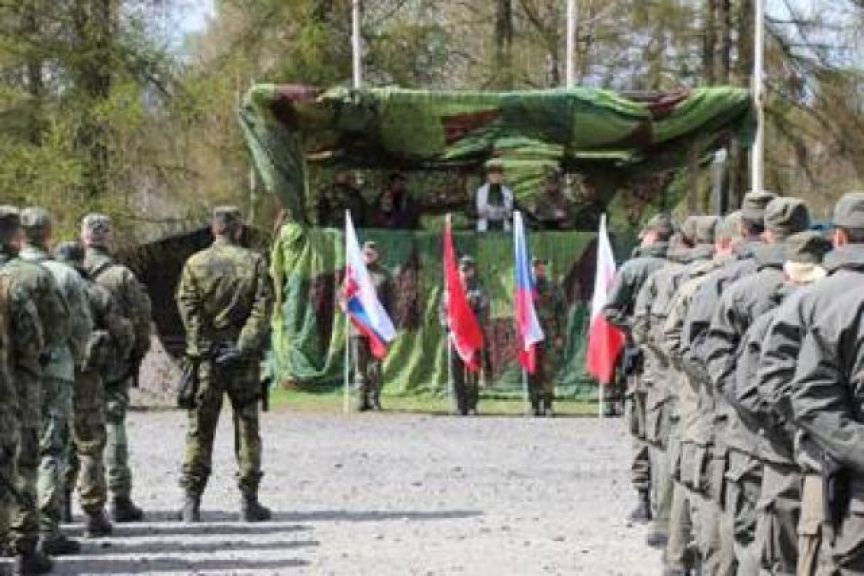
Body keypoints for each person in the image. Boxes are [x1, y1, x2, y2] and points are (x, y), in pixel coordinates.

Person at [703, 197, 811, 575]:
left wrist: (748, 405)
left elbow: (707, 352)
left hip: (749, 429)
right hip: (817, 434)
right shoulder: (834, 285)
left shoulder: (733, 284)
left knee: (754, 530)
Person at [681, 190, 776, 575]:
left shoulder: (723, 282)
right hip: (796, 428)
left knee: (737, 518)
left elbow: (693, 349)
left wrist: (736, 393)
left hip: (734, 422)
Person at [730, 231, 831, 576]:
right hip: (828, 455)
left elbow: (748, 391)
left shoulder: (770, 320)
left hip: (782, 455)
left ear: (788, 270)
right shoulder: (840, 310)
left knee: (778, 556)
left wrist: (789, 431)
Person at [781, 192, 864, 574]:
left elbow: (798, 393)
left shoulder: (818, 302)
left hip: (838, 466)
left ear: (839, 238)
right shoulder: (833, 301)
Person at [176, 206, 273, 523]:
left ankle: (191, 503)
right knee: (247, 426)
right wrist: (242, 346)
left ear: (213, 229)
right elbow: (262, 308)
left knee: (200, 429)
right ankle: (249, 502)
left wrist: (205, 346)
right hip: (242, 360)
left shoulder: (195, 263)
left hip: (207, 360)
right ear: (239, 229)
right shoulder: (254, 262)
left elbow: (188, 307)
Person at [19, 209, 92, 556]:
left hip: (12, 373)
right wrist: (73, 359)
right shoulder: (64, 274)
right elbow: (80, 326)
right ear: (49, 235)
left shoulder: (6, 271)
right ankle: (47, 528)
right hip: (55, 372)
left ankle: (14, 526)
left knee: (12, 449)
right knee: (51, 448)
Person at [56, 241, 132, 538]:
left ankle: (59, 505)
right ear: (82, 262)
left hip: (50, 376)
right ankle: (93, 515)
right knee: (89, 445)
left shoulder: (47, 287)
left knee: (55, 441)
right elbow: (122, 332)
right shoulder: (95, 292)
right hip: (87, 377)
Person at [602, 212, 674, 525]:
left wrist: (637, 329)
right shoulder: (681, 267)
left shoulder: (633, 268)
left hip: (643, 361)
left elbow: (610, 310)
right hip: (673, 363)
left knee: (641, 428)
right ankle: (667, 501)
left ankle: (644, 499)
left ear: (651, 235)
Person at [81, 214, 151, 523]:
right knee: (113, 424)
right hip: (113, 363)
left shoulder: (67, 270)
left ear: (84, 238)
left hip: (76, 364)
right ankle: (119, 497)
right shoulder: (122, 276)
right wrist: (135, 355)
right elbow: (141, 321)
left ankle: (62, 502)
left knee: (73, 426)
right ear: (109, 239)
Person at [0, 206, 52, 574]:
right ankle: (23, 548)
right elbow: (33, 343)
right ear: (15, 236)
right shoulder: (11, 288)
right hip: (9, 395)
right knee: (16, 468)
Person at [345, 241, 394, 411]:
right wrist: (343, 302)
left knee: (375, 366)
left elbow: (390, 304)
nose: (369, 256)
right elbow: (343, 295)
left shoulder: (384, 276)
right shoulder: (354, 274)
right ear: (361, 254)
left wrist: (389, 327)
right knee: (359, 365)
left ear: (377, 255)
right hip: (358, 328)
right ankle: (360, 399)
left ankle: (374, 399)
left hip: (376, 329)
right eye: (366, 253)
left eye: (372, 253)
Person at [440, 255, 489, 415]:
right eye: (462, 269)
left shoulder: (479, 291)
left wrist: (473, 326)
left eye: (468, 269)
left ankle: (472, 405)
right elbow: (443, 310)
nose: (465, 272)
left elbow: (484, 312)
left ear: (473, 271)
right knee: (456, 372)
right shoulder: (451, 289)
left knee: (472, 372)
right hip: (456, 338)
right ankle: (460, 405)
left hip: (472, 337)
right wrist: (446, 323)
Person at [528, 258, 566, 416]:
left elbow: (562, 313)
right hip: (531, 337)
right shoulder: (526, 289)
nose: (539, 270)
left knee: (548, 371)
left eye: (542, 267)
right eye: (536, 267)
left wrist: (560, 335)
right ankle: (534, 404)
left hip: (549, 334)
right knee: (532, 369)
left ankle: (548, 404)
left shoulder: (554, 288)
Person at [475, 165, 513, 232]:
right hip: (485, 226)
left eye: (498, 175)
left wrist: (508, 213)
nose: (496, 177)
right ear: (488, 176)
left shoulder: (507, 192)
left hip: (503, 226)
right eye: (493, 175)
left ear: (502, 177)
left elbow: (511, 210)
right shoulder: (480, 191)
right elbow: (476, 211)